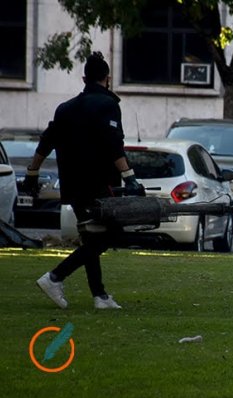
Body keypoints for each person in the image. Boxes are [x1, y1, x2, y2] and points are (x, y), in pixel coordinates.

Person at [22, 51, 144, 310]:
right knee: (109, 235)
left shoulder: (65, 108)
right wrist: (130, 177)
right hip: (98, 185)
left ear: (84, 77)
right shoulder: (107, 105)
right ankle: (55, 277)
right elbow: (113, 144)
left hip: (72, 186)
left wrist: (32, 173)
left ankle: (99, 296)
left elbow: (46, 142)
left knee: (92, 237)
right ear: (107, 79)